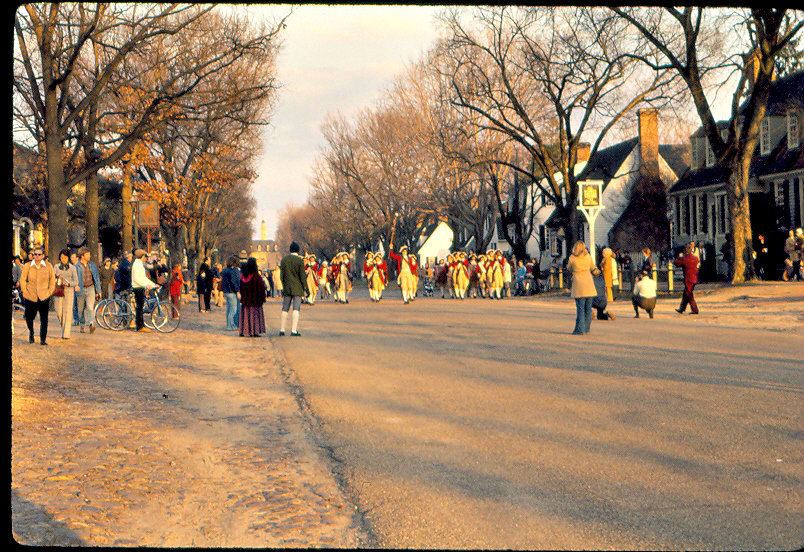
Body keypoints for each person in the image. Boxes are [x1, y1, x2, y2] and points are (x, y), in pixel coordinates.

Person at [20, 246, 56, 345]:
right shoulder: (28, 265)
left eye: (39, 254)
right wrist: (24, 291)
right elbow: (22, 279)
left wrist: (49, 292)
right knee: (29, 317)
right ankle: (31, 333)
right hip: (30, 295)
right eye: (35, 254)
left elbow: (52, 280)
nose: (36, 256)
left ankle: (43, 339)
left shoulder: (48, 266)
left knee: (44, 319)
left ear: (43, 255)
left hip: (44, 296)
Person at [567, 241, 600, 335]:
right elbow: (592, 268)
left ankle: (579, 329)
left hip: (578, 283)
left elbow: (569, 268)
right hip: (588, 282)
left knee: (580, 308)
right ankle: (586, 328)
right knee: (588, 308)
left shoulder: (572, 258)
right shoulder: (588, 257)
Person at [278, 242, 308, 336]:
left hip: (287, 288)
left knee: (285, 308)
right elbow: (302, 276)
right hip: (297, 288)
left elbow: (281, 276)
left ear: (290, 250)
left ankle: (282, 330)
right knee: (296, 308)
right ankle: (293, 330)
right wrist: (306, 288)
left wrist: (284, 285)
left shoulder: (284, 260)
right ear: (298, 250)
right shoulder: (299, 261)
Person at [53, 249, 79, 339]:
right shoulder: (56, 267)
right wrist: (56, 276)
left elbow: (76, 281)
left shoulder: (73, 268)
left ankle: (66, 334)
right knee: (58, 311)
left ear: (68, 258)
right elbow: (52, 278)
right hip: (58, 291)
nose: (63, 259)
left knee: (67, 312)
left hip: (69, 291)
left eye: (64, 258)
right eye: (61, 258)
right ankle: (64, 327)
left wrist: (68, 284)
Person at [131, 249, 159, 332]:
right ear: (142, 256)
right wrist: (147, 285)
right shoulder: (137, 264)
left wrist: (152, 284)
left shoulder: (139, 264)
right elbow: (137, 279)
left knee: (140, 307)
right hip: (138, 287)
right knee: (139, 307)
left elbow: (143, 278)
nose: (146, 258)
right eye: (145, 256)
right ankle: (139, 326)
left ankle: (141, 324)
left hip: (140, 287)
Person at [75, 247, 101, 334]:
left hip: (90, 288)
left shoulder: (92, 265)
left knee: (90, 307)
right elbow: (74, 279)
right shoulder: (76, 266)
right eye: (87, 255)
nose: (89, 256)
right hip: (81, 289)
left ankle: (91, 323)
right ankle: (82, 325)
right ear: (82, 256)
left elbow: (96, 278)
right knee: (80, 309)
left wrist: (98, 291)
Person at [237, 257, 266, 337]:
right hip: (255, 301)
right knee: (254, 316)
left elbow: (241, 287)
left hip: (246, 300)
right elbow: (261, 289)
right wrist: (262, 298)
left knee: (245, 315)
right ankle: (254, 331)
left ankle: (243, 330)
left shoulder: (243, 276)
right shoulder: (256, 277)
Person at [674, 242, 700, 315]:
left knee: (689, 294)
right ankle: (682, 308)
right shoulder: (695, 258)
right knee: (686, 294)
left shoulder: (684, 259)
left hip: (688, 279)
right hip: (695, 278)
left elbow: (676, 263)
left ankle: (695, 309)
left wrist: (679, 257)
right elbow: (697, 261)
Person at [221, 255, 241, 331]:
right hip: (232, 292)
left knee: (229, 309)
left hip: (227, 291)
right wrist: (238, 291)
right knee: (233, 310)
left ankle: (228, 325)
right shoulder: (233, 271)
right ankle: (231, 326)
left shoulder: (225, 270)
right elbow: (234, 282)